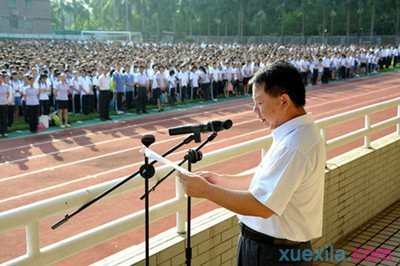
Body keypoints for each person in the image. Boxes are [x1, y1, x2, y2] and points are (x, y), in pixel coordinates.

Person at [178, 62, 326, 266]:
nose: (255, 111)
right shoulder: (297, 134)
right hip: (273, 248)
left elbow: (262, 206)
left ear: (283, 100)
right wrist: (218, 180)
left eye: (260, 103)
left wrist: (206, 191)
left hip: (273, 254)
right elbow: (264, 183)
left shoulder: (294, 145)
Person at [0, 71, 9, 137]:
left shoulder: (6, 86)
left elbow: (8, 94)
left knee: (4, 118)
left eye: (1, 78)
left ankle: (5, 131)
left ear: (2, 79)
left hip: (4, 104)